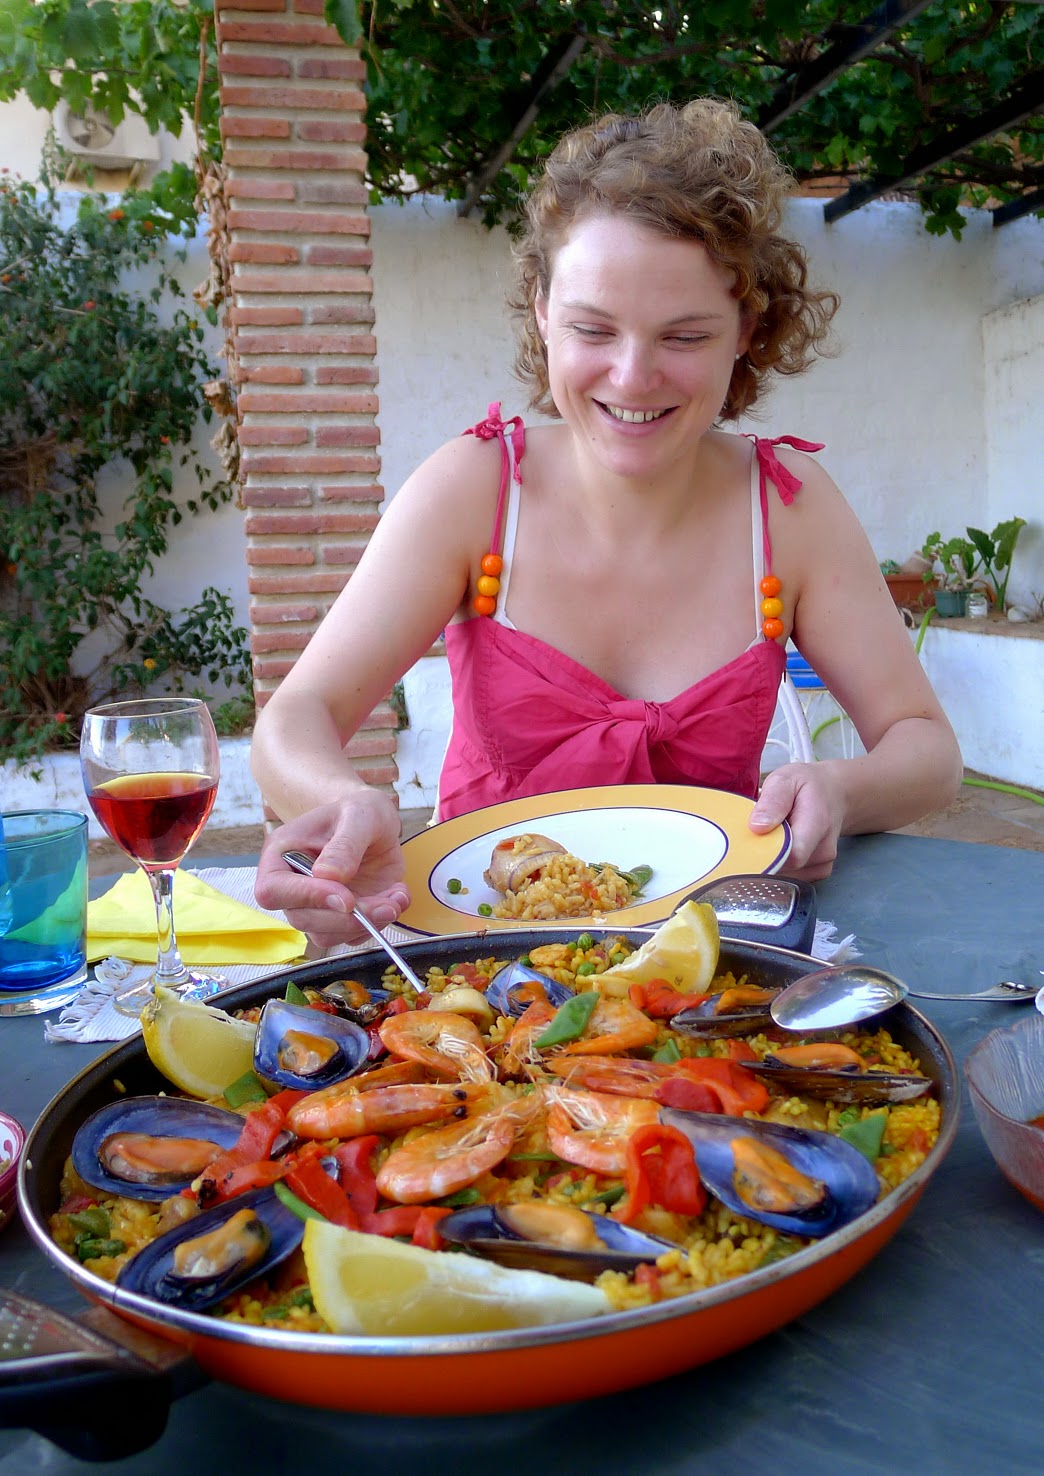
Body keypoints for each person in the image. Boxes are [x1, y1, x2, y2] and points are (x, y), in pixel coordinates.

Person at [251, 99, 962, 948]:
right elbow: (297, 716)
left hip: (716, 962)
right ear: (543, 312)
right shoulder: (475, 491)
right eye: (594, 328)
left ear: (748, 329)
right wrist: (344, 801)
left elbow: (925, 748)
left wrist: (840, 791)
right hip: (479, 966)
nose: (633, 376)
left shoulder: (789, 506)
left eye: (685, 335)